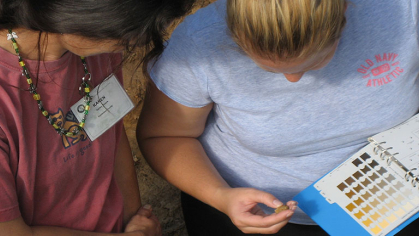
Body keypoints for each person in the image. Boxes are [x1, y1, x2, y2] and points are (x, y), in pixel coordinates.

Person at [137, 0, 419, 235]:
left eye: (314, 62)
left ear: (345, 11)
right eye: (268, 69)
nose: (293, 79)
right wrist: (220, 196)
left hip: (397, 202)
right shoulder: (200, 44)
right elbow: (164, 135)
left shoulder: (402, 9)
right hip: (253, 216)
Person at [0, 0, 194, 235]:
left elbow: (110, 131)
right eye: (131, 33)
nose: (134, 42)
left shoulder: (94, 47)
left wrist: (135, 218)